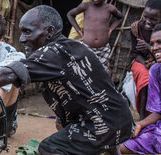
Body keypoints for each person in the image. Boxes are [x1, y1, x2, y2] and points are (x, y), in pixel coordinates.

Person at [0, 5, 134, 155]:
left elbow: (6, 74)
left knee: (49, 148)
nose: (22, 39)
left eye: (28, 32)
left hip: (100, 123)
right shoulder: (72, 47)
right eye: (21, 32)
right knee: (72, 136)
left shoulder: (51, 54)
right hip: (117, 118)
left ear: (48, 32)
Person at [120, 23, 161, 154]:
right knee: (120, 146)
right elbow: (157, 112)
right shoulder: (156, 71)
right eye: (153, 44)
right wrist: (140, 124)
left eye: (159, 42)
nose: (154, 48)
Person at [67, 0, 123, 72]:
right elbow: (70, 14)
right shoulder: (85, 6)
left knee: (103, 73)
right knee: (87, 72)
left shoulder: (110, 8)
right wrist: (79, 31)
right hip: (87, 47)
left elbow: (120, 17)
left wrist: (111, 29)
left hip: (103, 49)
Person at [129, 0, 161, 120]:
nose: (148, 21)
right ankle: (143, 116)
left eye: (153, 19)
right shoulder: (135, 28)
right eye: (145, 17)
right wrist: (145, 63)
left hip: (158, 61)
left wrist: (149, 47)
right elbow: (134, 52)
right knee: (145, 77)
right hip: (141, 61)